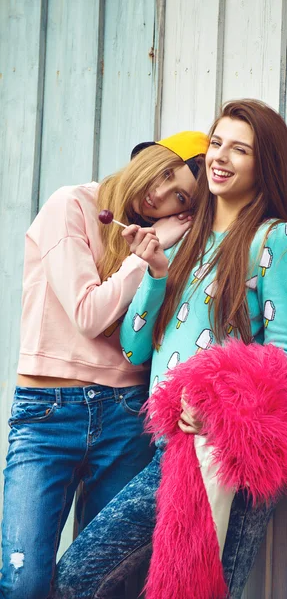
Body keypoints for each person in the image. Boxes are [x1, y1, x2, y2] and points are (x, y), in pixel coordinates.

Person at [51, 99, 287, 599]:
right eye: (217, 144)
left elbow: (285, 356)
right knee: (78, 574)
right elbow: (134, 348)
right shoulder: (184, 237)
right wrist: (154, 273)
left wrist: (218, 404)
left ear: (264, 164)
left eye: (240, 150)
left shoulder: (272, 238)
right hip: (167, 445)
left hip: (226, 447)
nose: (221, 157)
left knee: (207, 591)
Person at [0, 130, 209, 599]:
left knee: (101, 584)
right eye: (167, 172)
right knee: (23, 580)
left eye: (178, 197)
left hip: (125, 413)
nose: (160, 193)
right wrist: (146, 257)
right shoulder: (70, 205)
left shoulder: (174, 241)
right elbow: (87, 315)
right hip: (48, 414)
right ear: (151, 156)